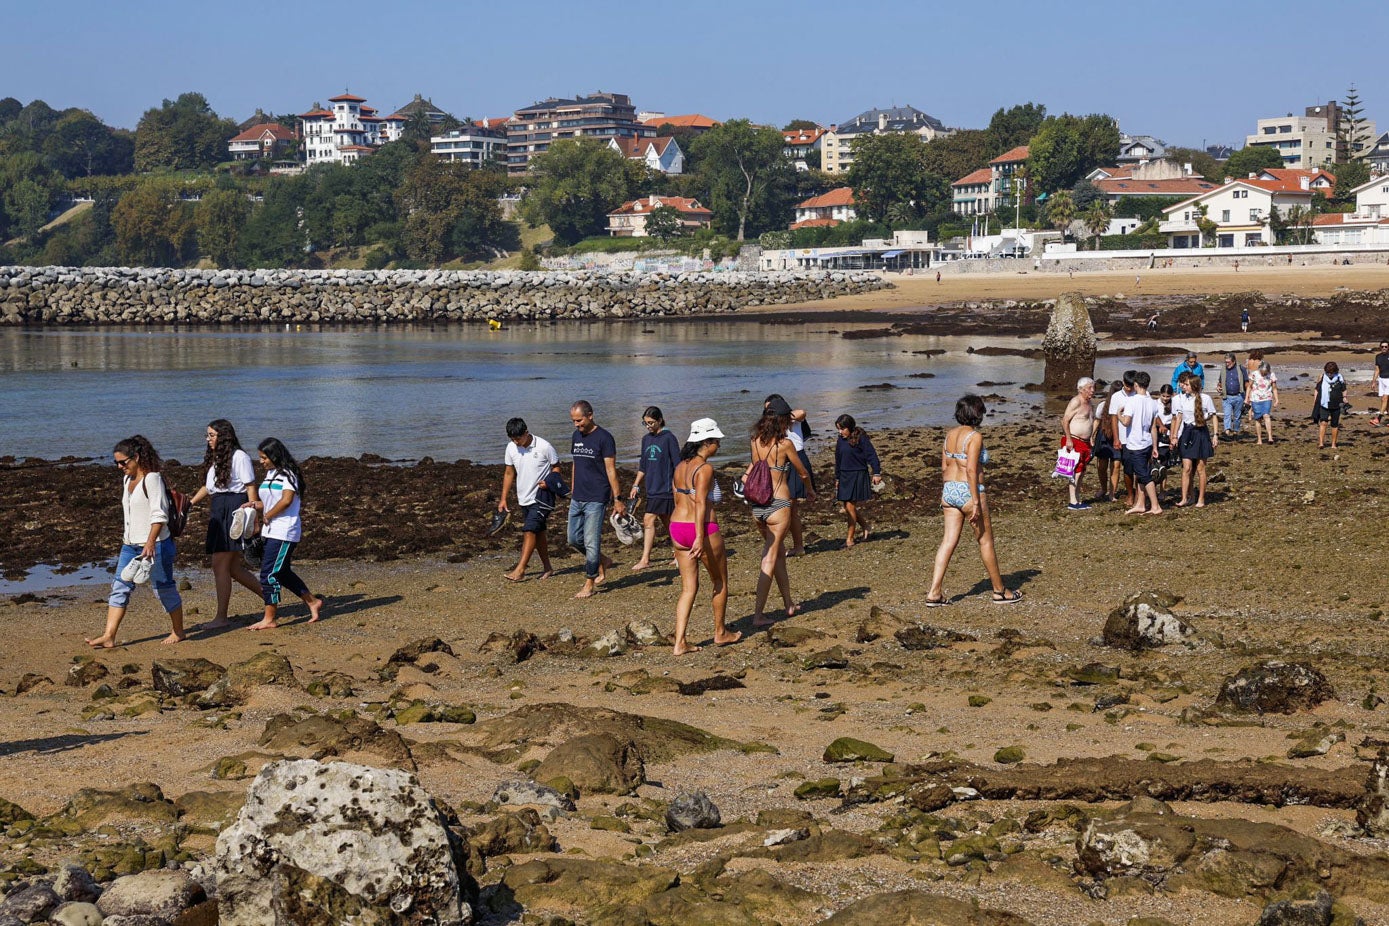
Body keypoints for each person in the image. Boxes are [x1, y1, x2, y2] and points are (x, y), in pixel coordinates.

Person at [87, 436, 187, 648]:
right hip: (130, 544)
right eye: (116, 463)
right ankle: (109, 635)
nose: (120, 467)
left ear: (137, 457)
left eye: (123, 462)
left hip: (156, 544)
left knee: (163, 587)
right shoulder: (126, 480)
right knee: (120, 586)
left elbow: (159, 515)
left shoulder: (152, 479)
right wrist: (128, 539)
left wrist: (150, 543)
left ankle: (178, 631)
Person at [925, 395, 1021, 606]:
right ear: (978, 413)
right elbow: (970, 469)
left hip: (949, 490)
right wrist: (976, 502)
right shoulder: (975, 437)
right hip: (969, 491)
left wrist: (949, 491)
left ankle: (934, 592)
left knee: (948, 542)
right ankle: (999, 591)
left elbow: (943, 467)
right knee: (985, 541)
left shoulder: (948, 435)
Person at [669, 418, 740, 655]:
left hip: (677, 526)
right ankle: (720, 632)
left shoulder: (680, 467)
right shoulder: (705, 468)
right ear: (706, 442)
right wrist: (700, 536)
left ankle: (679, 642)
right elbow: (700, 501)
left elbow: (677, 498)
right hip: (702, 528)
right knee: (720, 581)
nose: (718, 445)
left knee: (688, 588)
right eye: (716, 441)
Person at [746, 396, 815, 626]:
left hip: (757, 506)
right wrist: (810, 490)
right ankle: (758, 615)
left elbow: (753, 468)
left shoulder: (754, 440)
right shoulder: (785, 444)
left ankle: (788, 604)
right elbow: (802, 472)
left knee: (778, 557)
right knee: (769, 558)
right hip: (778, 504)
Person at [187, 420, 262, 629]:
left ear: (223, 436)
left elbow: (250, 487)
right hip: (219, 508)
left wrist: (253, 515)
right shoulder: (216, 458)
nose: (208, 439)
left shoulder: (240, 457)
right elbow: (209, 487)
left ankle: (221, 617)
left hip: (234, 507)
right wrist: (190, 503)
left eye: (211, 435)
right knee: (233, 568)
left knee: (219, 564)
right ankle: (270, 598)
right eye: (207, 435)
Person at [245, 438, 323, 630]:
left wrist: (268, 515)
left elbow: (287, 501)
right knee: (282, 572)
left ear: (274, 455)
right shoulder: (271, 474)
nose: (261, 461)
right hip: (271, 530)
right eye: (260, 457)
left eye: (264, 457)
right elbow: (271, 502)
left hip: (285, 530)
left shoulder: (289, 475)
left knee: (268, 573)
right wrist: (255, 505)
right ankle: (312, 601)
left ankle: (270, 618)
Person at [568, 400, 627, 599]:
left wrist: (618, 498)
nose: (577, 425)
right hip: (578, 497)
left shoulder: (605, 438)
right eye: (574, 421)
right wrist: (573, 488)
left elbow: (611, 470)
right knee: (573, 539)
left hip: (597, 497)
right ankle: (604, 560)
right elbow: (576, 464)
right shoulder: (576, 435)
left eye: (579, 420)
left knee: (591, 541)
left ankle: (589, 582)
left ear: (590, 415)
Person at [499, 417, 560, 582]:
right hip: (523, 498)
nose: (516, 442)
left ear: (526, 433)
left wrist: (549, 482)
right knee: (538, 532)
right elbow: (509, 473)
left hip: (542, 498)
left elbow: (556, 467)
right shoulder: (511, 448)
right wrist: (503, 498)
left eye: (518, 438)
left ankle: (520, 570)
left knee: (529, 530)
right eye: (512, 439)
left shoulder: (544, 446)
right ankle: (548, 568)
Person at [630, 406, 681, 570]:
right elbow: (643, 465)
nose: (648, 426)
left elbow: (677, 464)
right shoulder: (646, 439)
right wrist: (636, 484)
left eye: (651, 423)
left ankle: (645, 559)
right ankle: (680, 553)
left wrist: (678, 488)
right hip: (651, 488)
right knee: (668, 522)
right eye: (645, 423)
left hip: (665, 488)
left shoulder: (669, 438)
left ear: (660, 420)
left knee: (648, 519)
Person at [765, 394, 813, 556]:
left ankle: (783, 545)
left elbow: (802, 412)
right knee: (789, 509)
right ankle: (796, 546)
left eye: (771, 409)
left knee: (789, 507)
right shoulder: (771, 425)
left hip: (797, 459)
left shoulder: (792, 417)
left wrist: (784, 416)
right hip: (781, 462)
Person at [833, 414, 883, 546]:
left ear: (849, 427)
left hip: (857, 474)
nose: (840, 432)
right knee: (847, 506)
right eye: (838, 429)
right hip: (844, 475)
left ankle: (849, 538)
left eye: (842, 429)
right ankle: (866, 526)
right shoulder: (840, 440)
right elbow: (838, 460)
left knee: (850, 507)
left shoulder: (861, 439)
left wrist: (876, 473)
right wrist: (837, 477)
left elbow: (872, 455)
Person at [1118, 371, 1163, 515]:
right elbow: (1153, 427)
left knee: (1144, 475)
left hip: (1136, 444)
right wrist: (1155, 446)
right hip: (1148, 443)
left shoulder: (1131, 401)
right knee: (1140, 473)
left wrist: (1119, 414)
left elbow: (1126, 422)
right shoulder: (1153, 402)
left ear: (1136, 385)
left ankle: (1155, 506)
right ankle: (1141, 504)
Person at [1172, 372, 1217, 507]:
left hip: (1200, 433)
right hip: (1187, 432)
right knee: (1186, 468)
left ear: (1194, 385)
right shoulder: (1183, 399)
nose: (1184, 386)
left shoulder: (1206, 398)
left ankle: (1201, 499)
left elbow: (1213, 416)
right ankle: (1185, 498)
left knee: (1200, 468)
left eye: (1187, 384)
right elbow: (1179, 417)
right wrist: (1174, 436)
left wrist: (1215, 435)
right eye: (1184, 384)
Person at [1061, 377, 1096, 510]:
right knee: (1076, 470)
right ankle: (1073, 501)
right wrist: (1068, 439)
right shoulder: (1076, 401)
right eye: (1089, 388)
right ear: (1081, 390)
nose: (1092, 391)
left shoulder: (1090, 402)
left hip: (1085, 442)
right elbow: (1064, 420)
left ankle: (1077, 498)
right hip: (1074, 440)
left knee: (1082, 471)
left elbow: (1090, 421)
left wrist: (1091, 437)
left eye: (1093, 387)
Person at [1092, 380, 1124, 502]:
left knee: (1116, 465)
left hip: (1119, 437)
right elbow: (1097, 420)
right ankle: (1103, 488)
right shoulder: (1103, 405)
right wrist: (1092, 435)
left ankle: (1112, 493)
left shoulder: (1125, 405)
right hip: (1104, 436)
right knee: (1102, 466)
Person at [1311, 361, 1347, 449]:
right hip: (1324, 404)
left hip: (1337, 404)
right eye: (1328, 372)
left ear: (1335, 372)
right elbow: (1317, 390)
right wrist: (1315, 401)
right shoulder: (1321, 377)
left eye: (1332, 373)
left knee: (1334, 424)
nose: (1330, 374)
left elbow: (1344, 389)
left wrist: (1345, 397)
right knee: (1323, 423)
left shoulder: (1340, 378)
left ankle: (1333, 444)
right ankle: (1321, 443)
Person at [1246, 360, 1280, 444]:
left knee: (1266, 415)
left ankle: (1270, 437)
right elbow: (1249, 387)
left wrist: (1276, 399)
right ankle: (1259, 439)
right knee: (1258, 419)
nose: (1263, 374)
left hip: (1267, 398)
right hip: (1255, 399)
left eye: (1265, 372)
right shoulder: (1254, 374)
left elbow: (1274, 388)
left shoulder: (1271, 375)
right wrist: (1247, 398)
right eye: (1262, 372)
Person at [1218, 353, 1249, 438]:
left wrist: (1248, 397)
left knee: (1237, 416)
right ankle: (1227, 431)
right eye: (1226, 362)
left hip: (1239, 396)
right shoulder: (1223, 369)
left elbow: (1246, 382)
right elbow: (1220, 382)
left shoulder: (1241, 369)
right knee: (1227, 415)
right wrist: (1218, 387)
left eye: (1229, 362)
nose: (1227, 364)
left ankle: (1236, 431)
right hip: (1226, 396)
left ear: (1234, 361)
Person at [1371, 339, 1389, 427]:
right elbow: (1377, 370)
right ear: (1380, 347)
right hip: (1381, 380)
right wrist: (1373, 381)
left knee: (1385, 399)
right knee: (1386, 401)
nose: (1384, 348)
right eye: (1382, 347)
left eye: (1386, 346)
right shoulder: (1378, 357)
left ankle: (1378, 418)